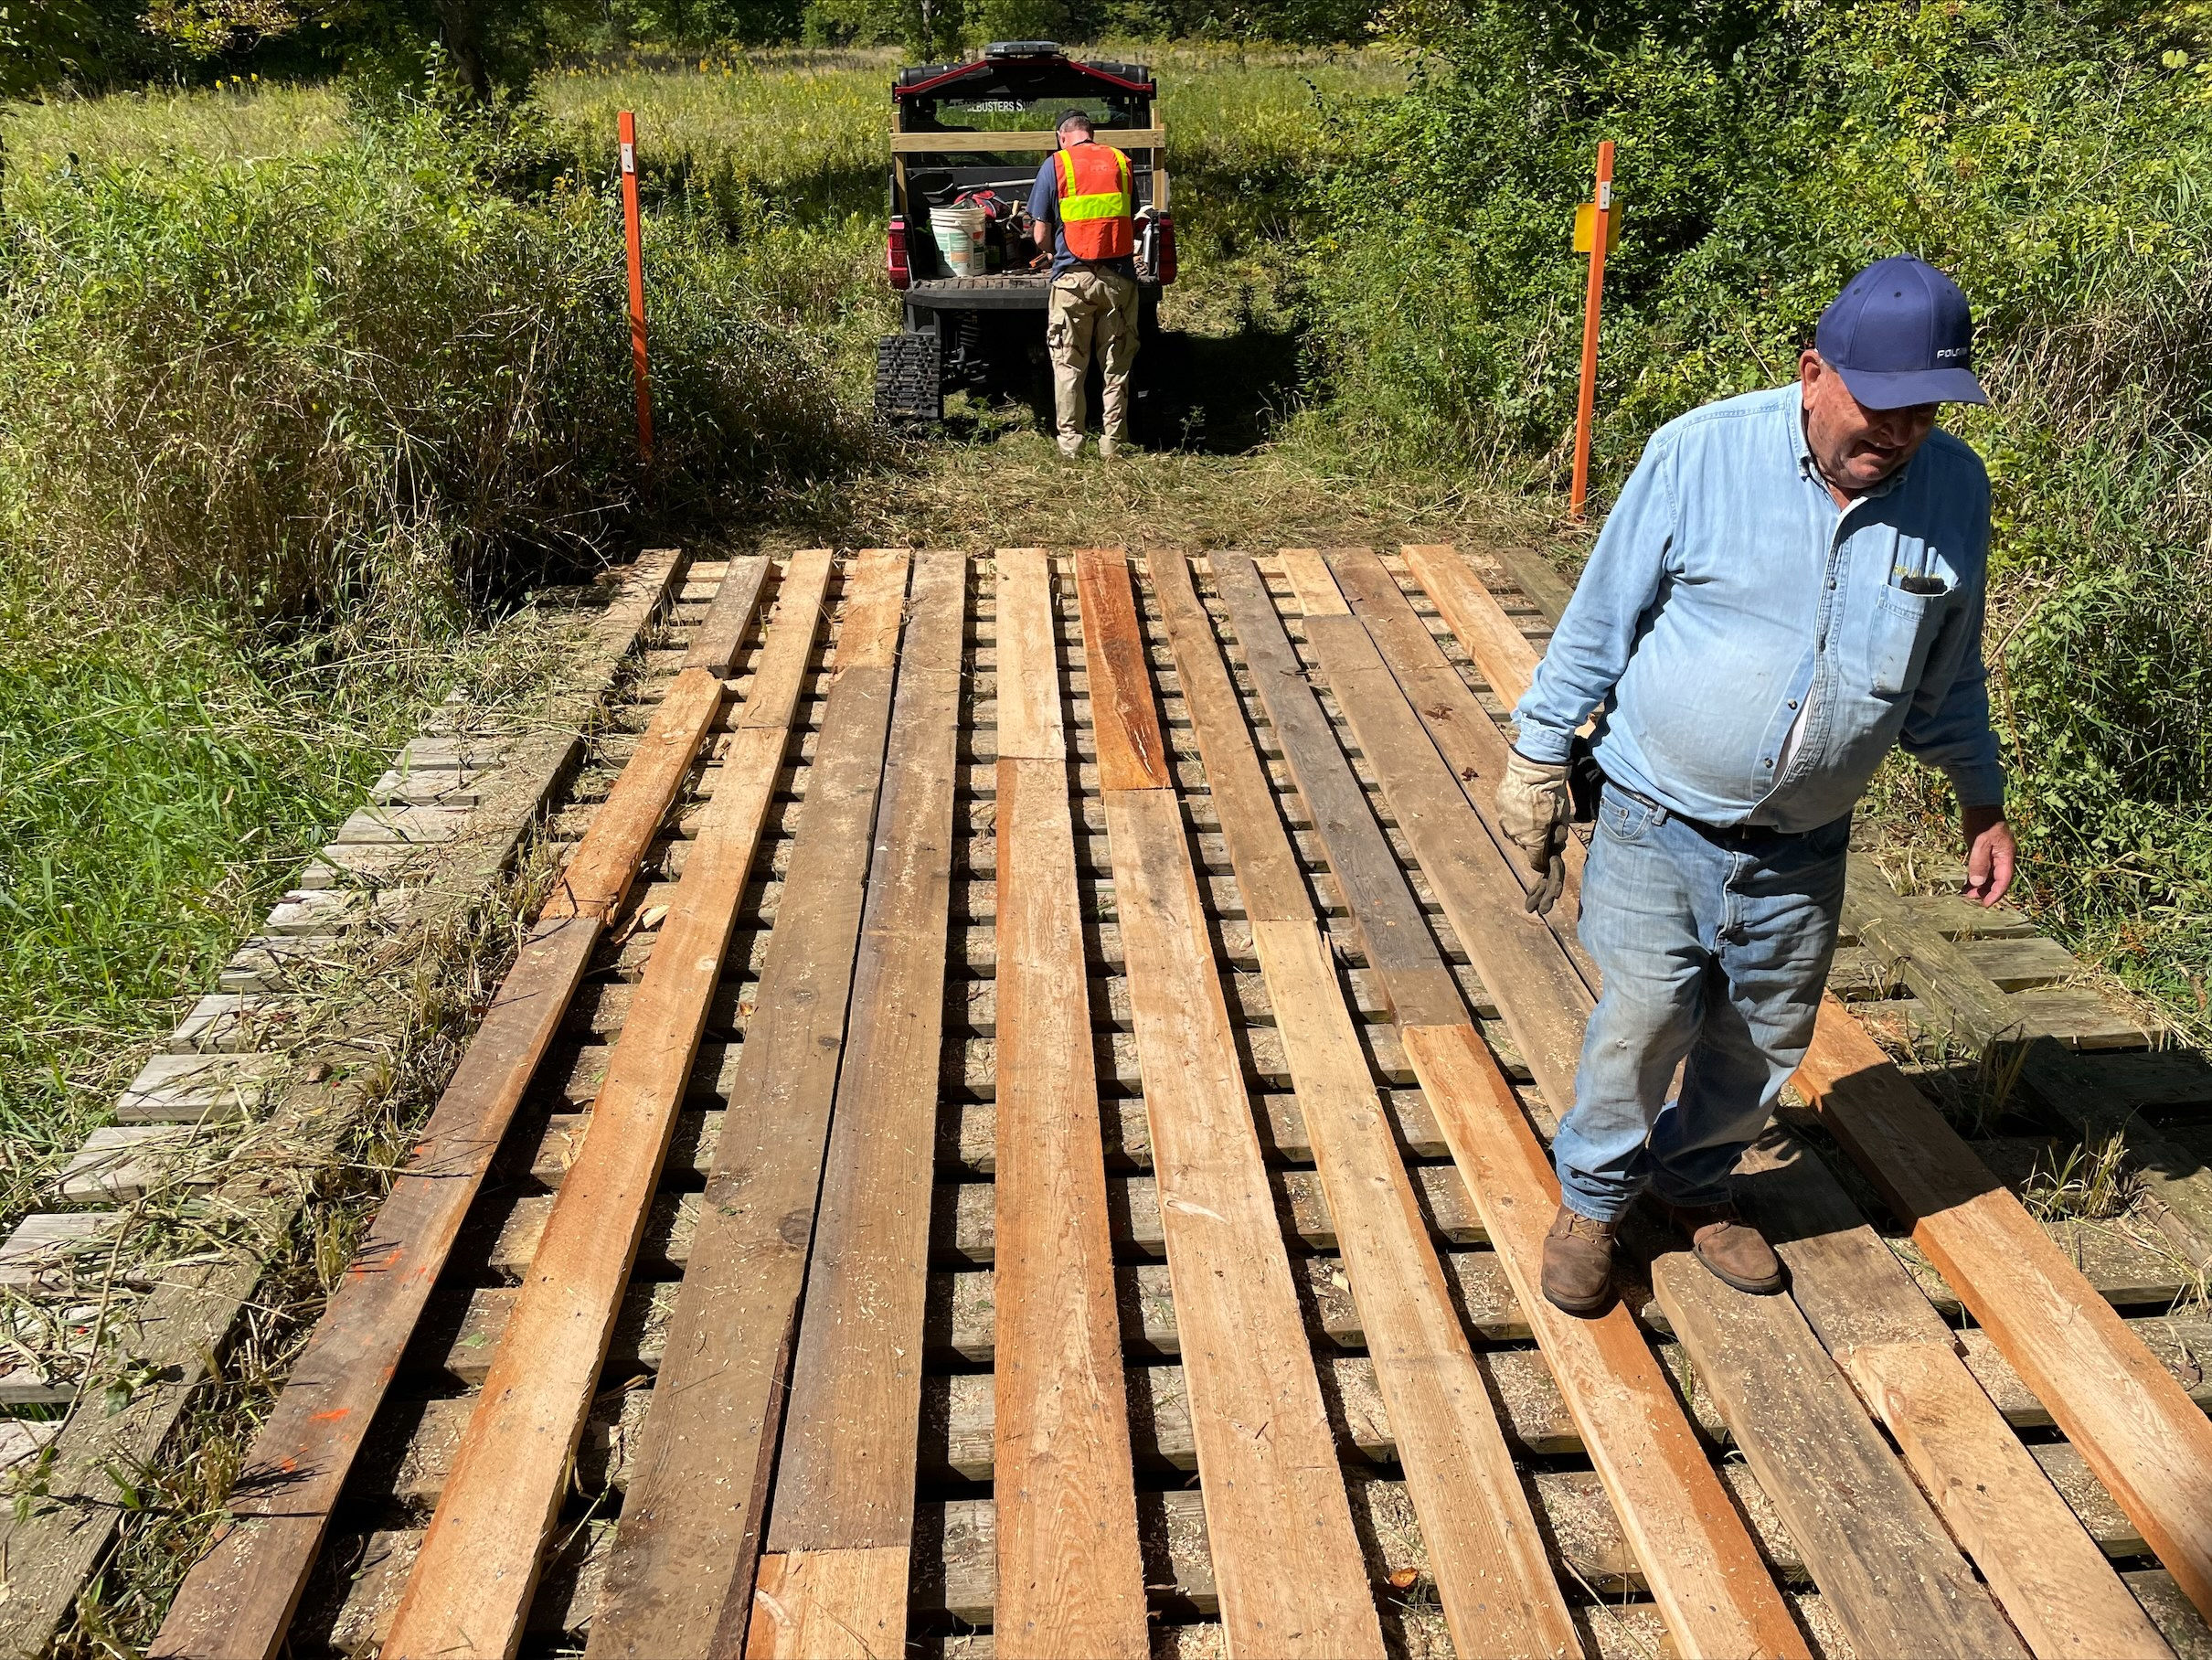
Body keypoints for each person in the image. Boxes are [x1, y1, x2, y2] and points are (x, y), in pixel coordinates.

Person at [1497, 254, 2018, 1316]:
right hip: (1656, 817)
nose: (1900, 432)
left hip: (1802, 844)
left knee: (1762, 1037)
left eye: (1924, 410)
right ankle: (1593, 1202)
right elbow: (1600, 617)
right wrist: (1538, 753)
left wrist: (1980, 797)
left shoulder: (1953, 491)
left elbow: (1946, 673)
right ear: (1811, 370)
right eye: (1879, 406)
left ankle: (1693, 1184)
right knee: (1643, 1019)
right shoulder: (1698, 454)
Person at [1028, 110, 1140, 459]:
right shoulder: (1122, 162)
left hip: (1072, 280)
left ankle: (1071, 446)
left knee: (1068, 365)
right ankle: (1113, 444)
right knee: (1116, 366)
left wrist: (1051, 253)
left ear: (1062, 137)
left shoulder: (1056, 165)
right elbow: (1131, 218)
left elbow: (1041, 234)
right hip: (1118, 279)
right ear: (1091, 133)